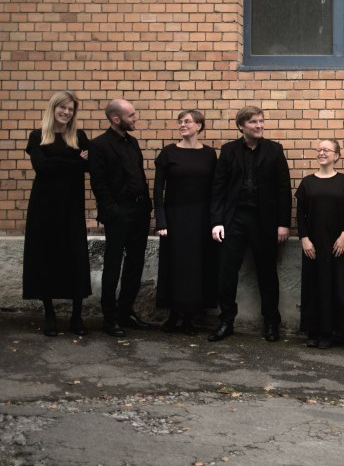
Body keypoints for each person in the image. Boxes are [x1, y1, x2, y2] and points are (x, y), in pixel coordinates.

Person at [208, 106, 291, 343]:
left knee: (267, 272)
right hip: (234, 219)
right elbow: (218, 189)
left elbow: (284, 188)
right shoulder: (228, 151)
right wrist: (216, 221)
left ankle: (271, 323)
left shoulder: (275, 150)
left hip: (264, 221)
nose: (259, 125)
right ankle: (226, 321)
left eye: (261, 121)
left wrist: (283, 223)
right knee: (226, 272)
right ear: (241, 126)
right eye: (254, 122)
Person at [23, 91, 91, 336]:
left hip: (72, 206)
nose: (67, 112)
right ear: (53, 109)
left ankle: (76, 317)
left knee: (75, 257)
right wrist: (75, 163)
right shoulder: (38, 136)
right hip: (44, 207)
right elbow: (41, 167)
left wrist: (58, 163)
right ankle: (49, 315)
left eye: (71, 109)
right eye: (63, 108)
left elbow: (89, 166)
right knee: (46, 257)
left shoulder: (80, 137)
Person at [89, 99, 153, 337]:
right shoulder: (99, 145)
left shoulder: (133, 142)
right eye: (131, 115)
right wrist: (113, 211)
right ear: (116, 119)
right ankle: (110, 318)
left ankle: (126, 311)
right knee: (113, 265)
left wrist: (147, 206)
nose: (135, 118)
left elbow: (139, 175)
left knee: (135, 264)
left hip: (139, 213)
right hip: (118, 215)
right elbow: (99, 184)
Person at [153, 109, 218, 336]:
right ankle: (173, 316)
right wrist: (160, 220)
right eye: (180, 122)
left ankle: (190, 318)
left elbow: (215, 190)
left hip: (201, 218)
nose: (183, 125)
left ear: (199, 126)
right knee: (174, 265)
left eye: (187, 122)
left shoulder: (209, 154)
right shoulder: (169, 153)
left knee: (195, 267)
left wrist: (214, 220)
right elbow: (158, 189)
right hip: (174, 217)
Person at [297, 139, 344, 349]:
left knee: (335, 286)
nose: (322, 153)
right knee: (313, 286)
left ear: (336, 156)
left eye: (326, 150)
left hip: (336, 244)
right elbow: (300, 215)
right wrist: (304, 239)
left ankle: (329, 332)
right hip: (313, 244)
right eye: (319, 150)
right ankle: (313, 331)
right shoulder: (308, 182)